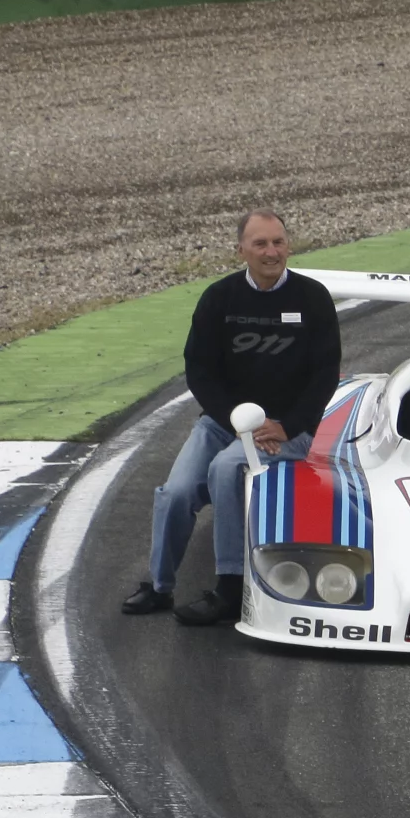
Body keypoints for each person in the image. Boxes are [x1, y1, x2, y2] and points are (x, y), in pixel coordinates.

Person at [124, 209, 340, 626]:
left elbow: (325, 374)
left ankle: (229, 588)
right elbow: (199, 370)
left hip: (284, 430)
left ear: (288, 246)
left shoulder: (313, 298)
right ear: (241, 250)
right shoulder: (219, 298)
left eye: (278, 242)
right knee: (176, 492)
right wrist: (233, 422)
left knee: (225, 469)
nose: (271, 251)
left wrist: (288, 426)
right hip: (222, 423)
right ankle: (160, 586)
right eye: (260, 243)